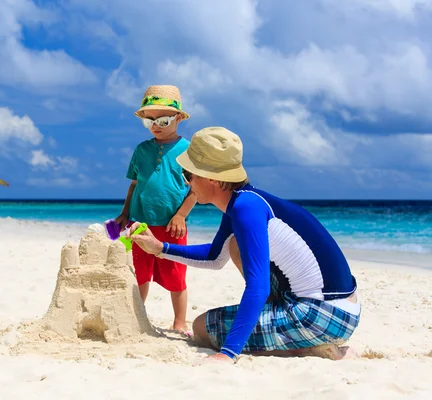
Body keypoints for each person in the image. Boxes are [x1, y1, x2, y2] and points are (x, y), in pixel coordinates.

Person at [127, 126, 361, 361]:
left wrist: (229, 353)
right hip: (340, 308)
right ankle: (290, 329)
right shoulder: (244, 202)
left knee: (201, 328)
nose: (188, 184)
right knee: (235, 246)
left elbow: (259, 287)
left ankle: (310, 350)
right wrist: (160, 248)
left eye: (188, 175)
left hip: (322, 315)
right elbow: (214, 257)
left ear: (212, 179)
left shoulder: (244, 209)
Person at [114, 84, 198, 333]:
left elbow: (196, 189)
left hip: (173, 226)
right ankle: (136, 317)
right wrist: (125, 214)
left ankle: (179, 322)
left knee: (176, 276)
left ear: (179, 118)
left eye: (162, 120)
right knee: (138, 274)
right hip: (140, 224)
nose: (155, 126)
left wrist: (181, 215)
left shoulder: (188, 150)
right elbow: (134, 185)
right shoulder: (141, 150)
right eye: (149, 121)